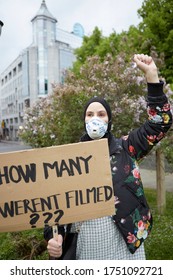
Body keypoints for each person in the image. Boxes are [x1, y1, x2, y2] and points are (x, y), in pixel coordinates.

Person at [44, 54, 172, 260]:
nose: (95, 119)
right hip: (87, 247)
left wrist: (152, 76)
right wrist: (52, 237)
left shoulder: (126, 147)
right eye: (90, 114)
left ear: (109, 120)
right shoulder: (67, 159)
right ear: (84, 120)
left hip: (125, 246)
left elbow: (160, 123)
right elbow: (53, 206)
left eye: (101, 114)